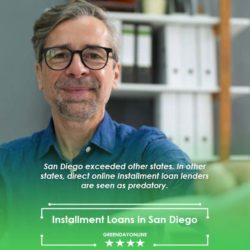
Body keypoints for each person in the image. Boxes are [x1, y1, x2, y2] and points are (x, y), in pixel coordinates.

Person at [0, 1, 196, 249]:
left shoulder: (148, 154)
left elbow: (208, 206)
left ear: (115, 73)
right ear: (40, 75)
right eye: (60, 55)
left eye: (93, 55)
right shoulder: (6, 166)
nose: (77, 69)